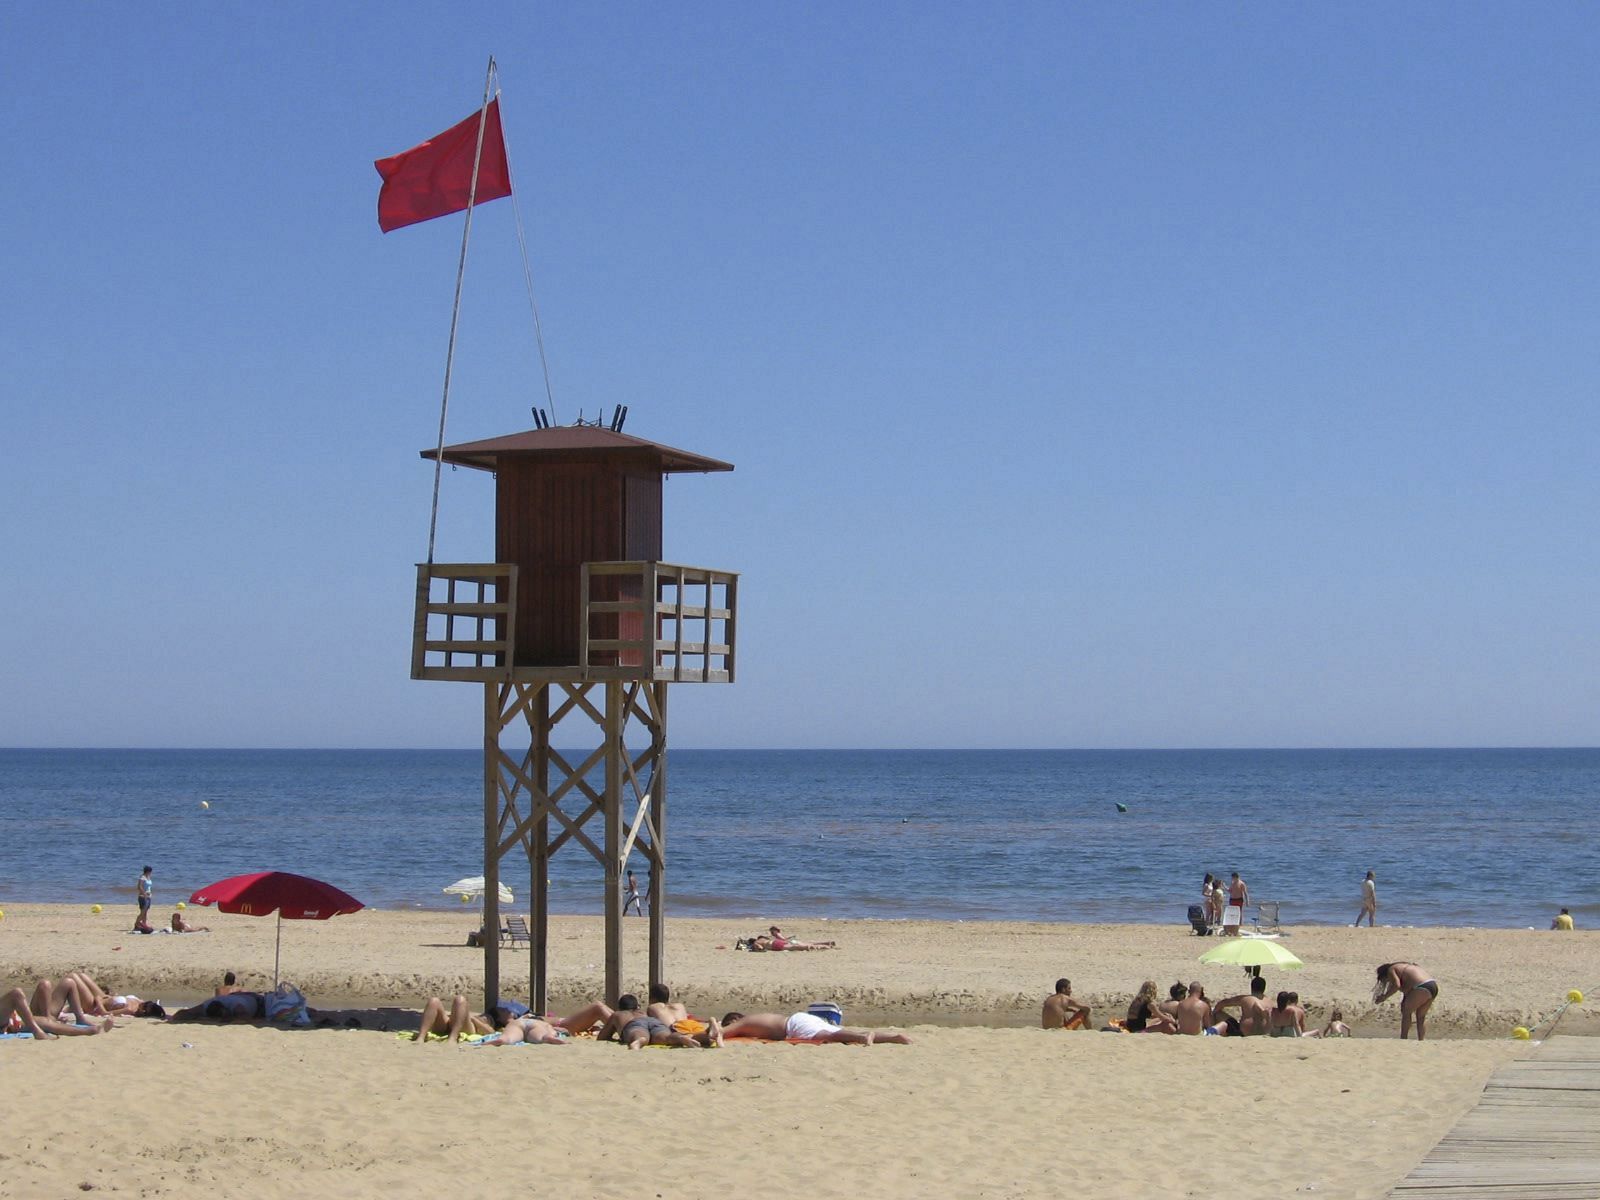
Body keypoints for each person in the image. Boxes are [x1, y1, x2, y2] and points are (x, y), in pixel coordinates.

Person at [719, 1010, 910, 1045]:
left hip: (794, 1025)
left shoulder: (744, 1023)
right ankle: (893, 1038)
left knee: (825, 1035)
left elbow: (717, 1034)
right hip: (800, 1019)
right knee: (839, 1033)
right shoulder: (759, 1019)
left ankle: (862, 1037)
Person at [599, 994, 718, 1049]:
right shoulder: (643, 1012)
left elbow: (602, 1036)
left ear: (619, 1007)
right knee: (667, 1037)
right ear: (637, 1006)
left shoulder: (618, 1014)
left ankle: (639, 1041)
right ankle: (682, 1038)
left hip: (634, 1025)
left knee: (639, 1033)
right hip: (653, 1021)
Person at [1374, 963, 1437, 1041]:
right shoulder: (1405, 966)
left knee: (1406, 1012)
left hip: (1421, 987)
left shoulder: (1391, 969)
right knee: (1420, 1017)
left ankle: (1403, 1038)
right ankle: (1421, 1040)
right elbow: (1409, 989)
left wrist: (1384, 997)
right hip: (1433, 985)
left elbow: (1396, 985)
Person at [765, 925, 835, 951]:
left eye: (771, 931)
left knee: (807, 945)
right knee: (809, 943)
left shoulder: (777, 934)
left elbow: (783, 940)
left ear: (773, 931)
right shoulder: (778, 933)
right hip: (791, 941)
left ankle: (827, 946)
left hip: (790, 943)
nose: (771, 932)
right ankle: (828, 943)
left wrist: (788, 939)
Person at [135, 865, 153, 931]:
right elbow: (139, 887)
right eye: (150, 871)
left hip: (148, 896)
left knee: (145, 912)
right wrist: (144, 894)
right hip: (143, 897)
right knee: (143, 912)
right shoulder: (142, 878)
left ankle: (144, 924)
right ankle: (136, 924)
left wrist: (150, 894)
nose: (151, 873)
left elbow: (148, 887)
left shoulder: (148, 877)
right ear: (148, 871)